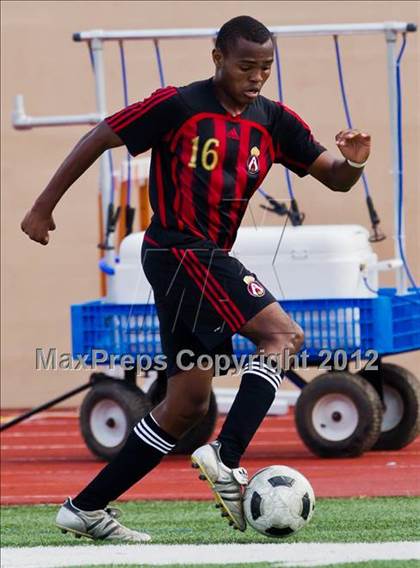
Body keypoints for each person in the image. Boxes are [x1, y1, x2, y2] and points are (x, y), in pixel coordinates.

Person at [21, 15, 371, 542]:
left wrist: (354, 164)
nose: (256, 76)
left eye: (266, 67)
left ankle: (86, 507)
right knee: (282, 337)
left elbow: (334, 177)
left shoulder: (273, 121)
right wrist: (43, 207)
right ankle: (226, 457)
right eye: (245, 65)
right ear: (218, 60)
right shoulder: (178, 105)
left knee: (186, 403)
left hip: (202, 258)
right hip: (178, 249)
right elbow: (101, 136)